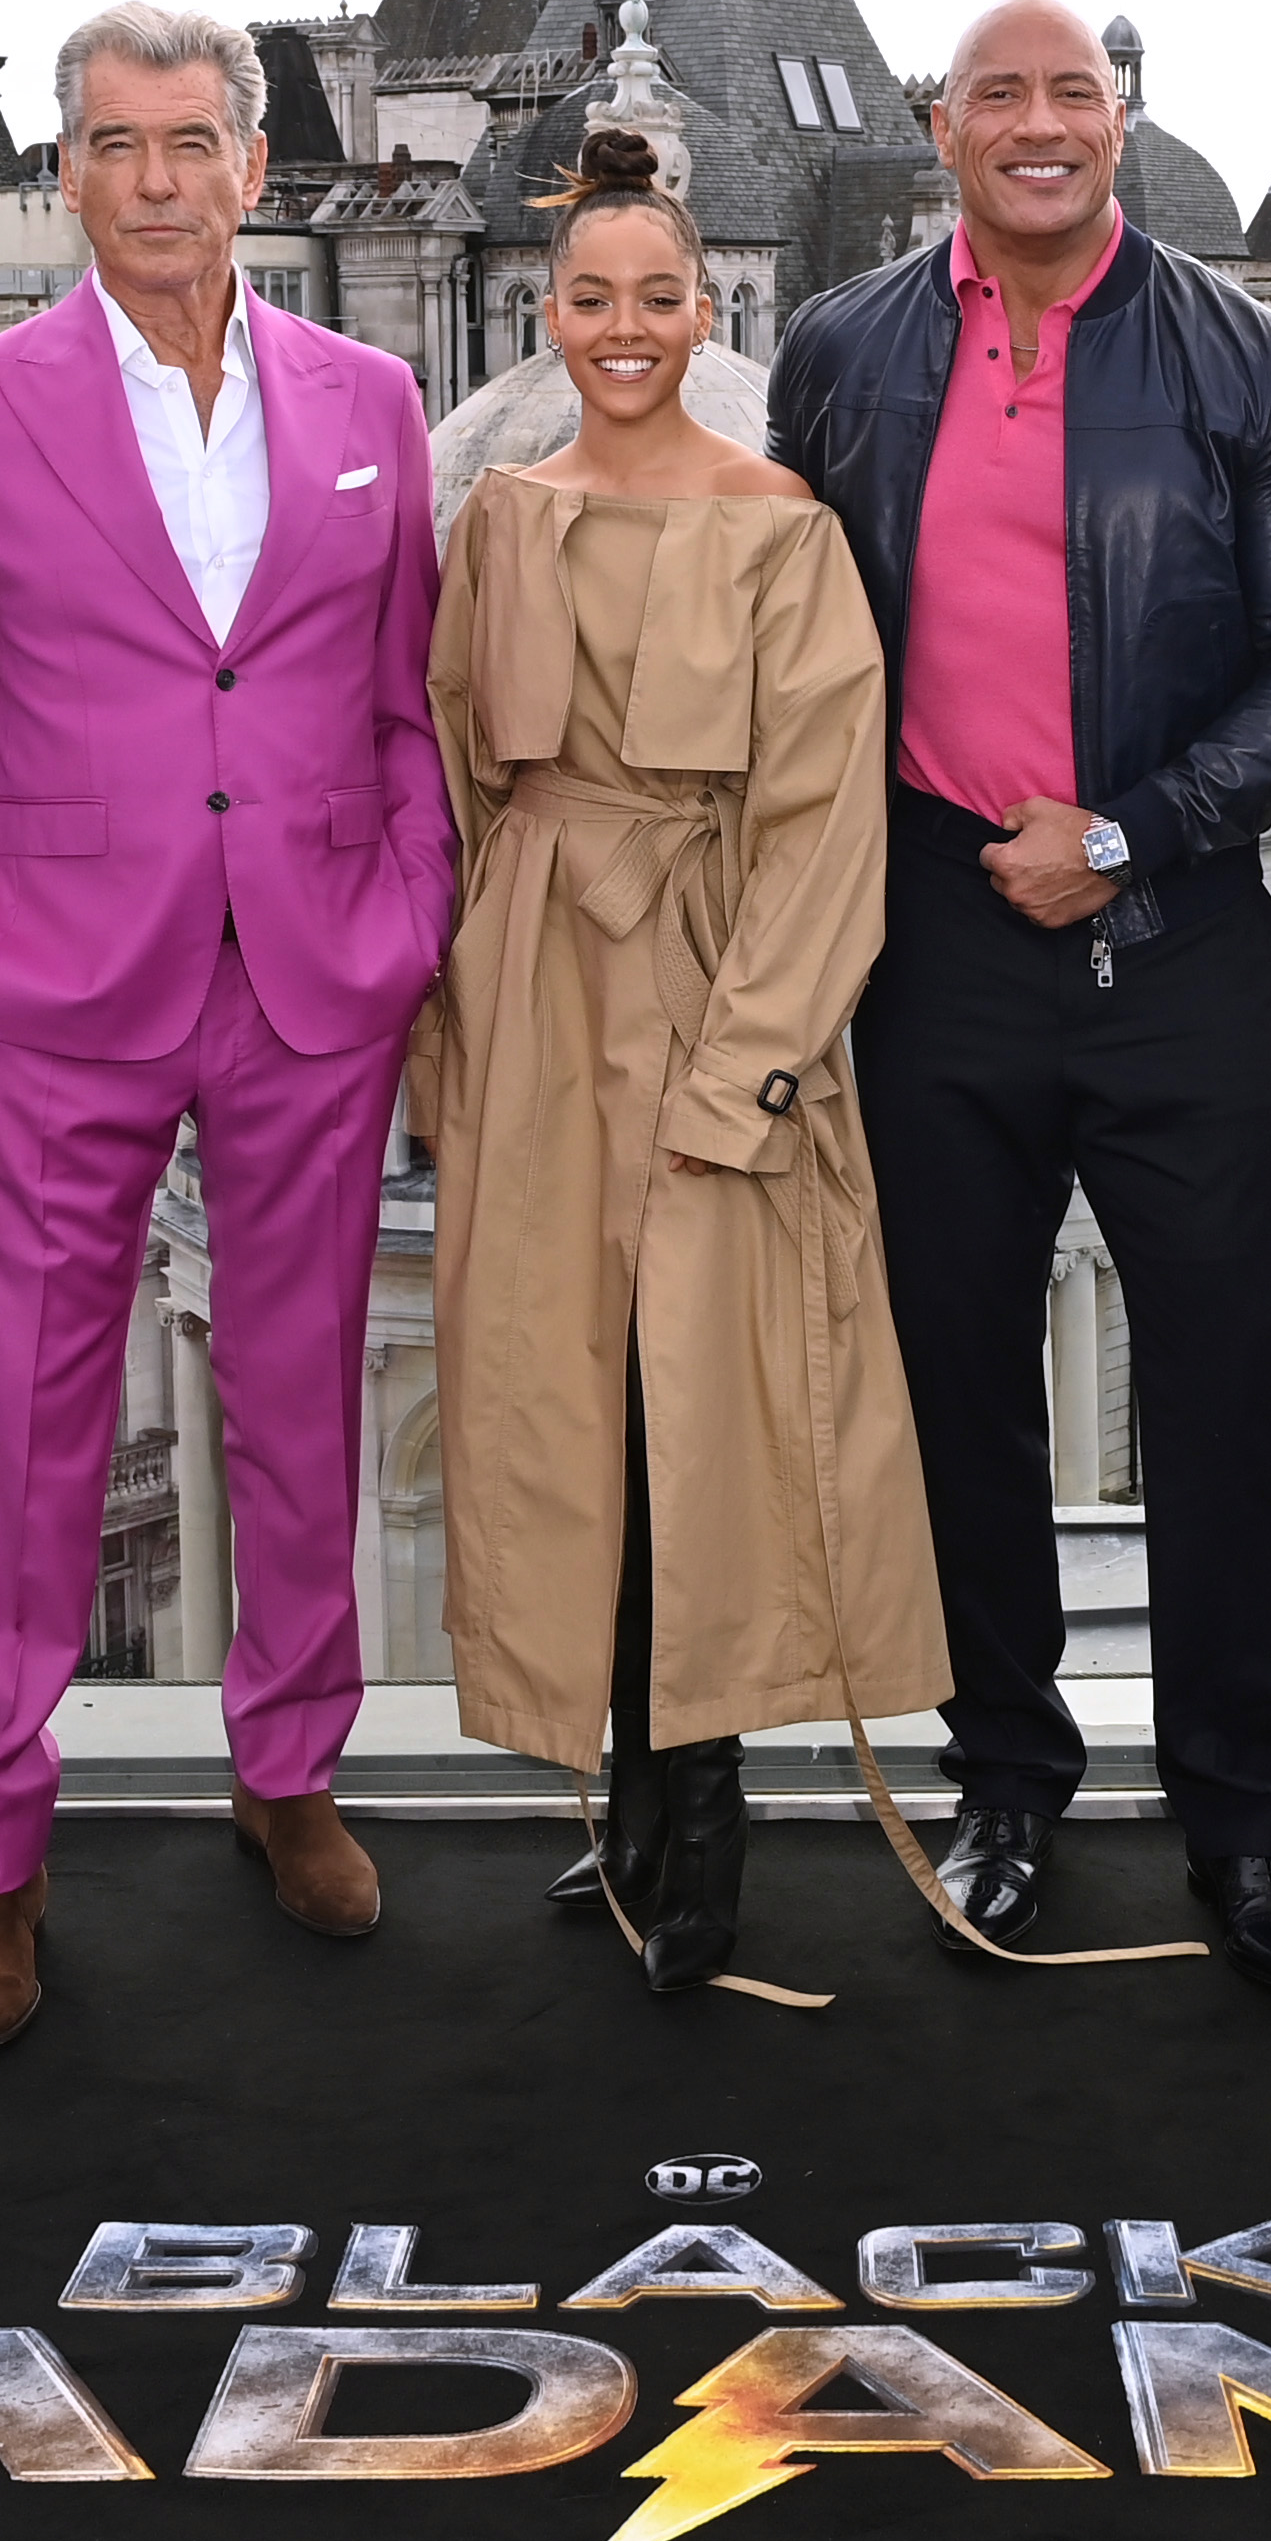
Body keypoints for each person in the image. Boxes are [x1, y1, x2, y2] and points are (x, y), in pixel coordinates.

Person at [768, 0, 1271, 1993]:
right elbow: (777, 630)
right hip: (936, 938)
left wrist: (1130, 831)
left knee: (1222, 1397)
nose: (1038, 125)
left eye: (1073, 96)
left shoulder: (1246, 360)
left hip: (1175, 936)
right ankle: (1007, 1788)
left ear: (1116, 123)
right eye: (1000, 96)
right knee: (956, 1392)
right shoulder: (840, 349)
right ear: (939, 125)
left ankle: (1242, 1826)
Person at [0, 3, 456, 2051]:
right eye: (111, 144)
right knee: (27, 1433)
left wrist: (406, 912)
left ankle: (287, 1773)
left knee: (298, 1402)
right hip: (55, 985)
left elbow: (403, 695)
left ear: (253, 167)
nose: (152, 180)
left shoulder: (370, 395)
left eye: (187, 141)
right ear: (65, 173)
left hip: (311, 975)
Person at [414, 128, 948, 1995]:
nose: (624, 327)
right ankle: (627, 1787)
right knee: (568, 1406)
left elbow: (825, 829)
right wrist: (451, 1042)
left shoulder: (782, 524)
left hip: (719, 985)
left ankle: (706, 1808)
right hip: (535, 999)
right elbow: (456, 786)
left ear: (705, 311)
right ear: (546, 314)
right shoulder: (501, 516)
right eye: (591, 298)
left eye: (658, 297)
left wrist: (751, 1070)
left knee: (714, 1406)